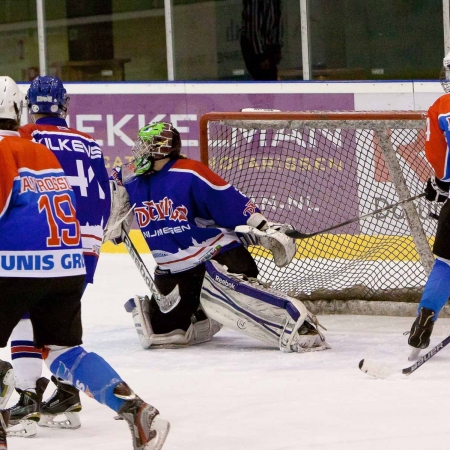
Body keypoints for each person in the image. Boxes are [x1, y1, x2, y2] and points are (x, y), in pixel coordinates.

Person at [0, 76, 169, 450]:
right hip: (70, 256)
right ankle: (137, 411)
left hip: (17, 265)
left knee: (21, 324)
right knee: (62, 349)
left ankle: (23, 402)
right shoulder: (57, 148)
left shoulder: (19, 143)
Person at [104, 121, 330, 353]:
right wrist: (111, 214)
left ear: (162, 147)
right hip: (173, 269)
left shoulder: (189, 171)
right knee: (162, 333)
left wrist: (263, 226)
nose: (140, 149)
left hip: (216, 258)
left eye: (146, 143)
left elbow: (227, 198)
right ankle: (202, 315)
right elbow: (112, 184)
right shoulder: (133, 177)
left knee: (221, 291)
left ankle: (300, 324)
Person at [1, 75, 111, 436]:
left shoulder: (25, 138)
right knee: (60, 332)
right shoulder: (89, 143)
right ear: (64, 105)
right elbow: (104, 196)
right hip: (81, 245)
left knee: (24, 321)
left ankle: (26, 401)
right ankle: (66, 393)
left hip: (36, 242)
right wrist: (92, 242)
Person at [407, 53, 450, 357]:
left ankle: (426, 315)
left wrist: (441, 184)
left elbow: (437, 156)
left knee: (447, 264)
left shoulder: (441, 106)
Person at [240, 0, 283, 81]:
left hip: (267, 45)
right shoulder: (255, 3)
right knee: (264, 78)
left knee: (271, 78)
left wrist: (277, 47)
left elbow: (277, 22)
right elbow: (253, 29)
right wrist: (261, 57)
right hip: (253, 46)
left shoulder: (274, 3)